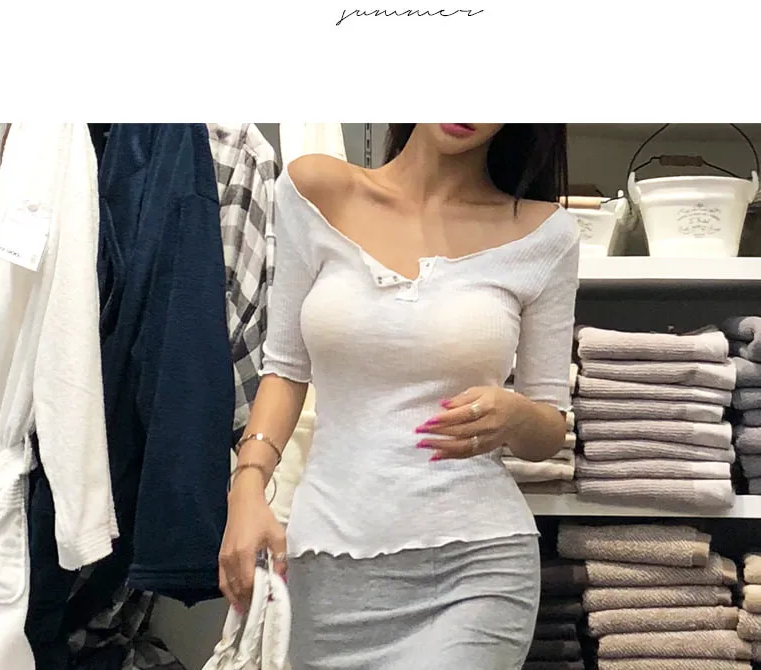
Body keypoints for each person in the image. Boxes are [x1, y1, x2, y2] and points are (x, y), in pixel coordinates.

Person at [219, 123, 579, 669]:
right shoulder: (315, 191)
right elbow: (285, 370)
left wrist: (515, 415)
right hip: (325, 565)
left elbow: (549, 426)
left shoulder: (545, 234)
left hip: (474, 567)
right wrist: (246, 490)